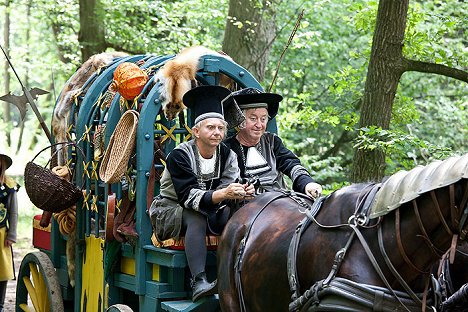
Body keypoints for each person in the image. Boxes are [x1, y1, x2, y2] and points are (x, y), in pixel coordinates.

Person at [149, 85, 254, 301]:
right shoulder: (180, 155)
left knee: (242, 213)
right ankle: (198, 280)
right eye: (210, 128)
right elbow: (189, 198)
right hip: (172, 210)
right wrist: (225, 193)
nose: (217, 133)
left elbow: (228, 186)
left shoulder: (228, 154)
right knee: (195, 216)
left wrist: (242, 190)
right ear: (196, 131)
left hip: (212, 208)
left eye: (220, 128)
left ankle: (238, 273)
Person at [223, 87, 322, 198]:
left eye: (263, 119)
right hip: (242, 207)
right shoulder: (226, 148)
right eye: (253, 118)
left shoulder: (272, 142)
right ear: (239, 120)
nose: (259, 125)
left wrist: (307, 183)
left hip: (278, 202)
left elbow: (291, 164)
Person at [0, 152, 19, 312]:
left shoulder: (9, 186)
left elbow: (13, 212)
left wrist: (12, 235)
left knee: (2, 271)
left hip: (1, 236)